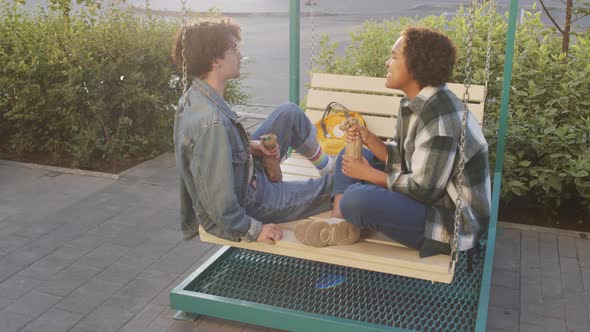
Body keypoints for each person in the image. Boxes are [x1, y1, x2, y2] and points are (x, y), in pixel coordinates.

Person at [171, 18, 335, 245]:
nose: (239, 55)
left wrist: (252, 147)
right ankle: (338, 177)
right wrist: (253, 230)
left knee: (289, 112)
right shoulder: (212, 124)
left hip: (246, 174)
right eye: (234, 48)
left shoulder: (198, 97)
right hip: (254, 201)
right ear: (215, 60)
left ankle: (326, 166)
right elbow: (219, 201)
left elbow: (213, 153)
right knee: (338, 184)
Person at [331, 27, 491, 256]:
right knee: (347, 158)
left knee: (357, 199)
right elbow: (409, 158)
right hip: (428, 197)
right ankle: (340, 220)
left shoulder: (441, 118)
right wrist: (369, 139)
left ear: (416, 66)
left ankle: (347, 211)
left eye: (394, 57)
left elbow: (423, 190)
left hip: (447, 222)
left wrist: (369, 175)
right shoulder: (416, 102)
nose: (388, 62)